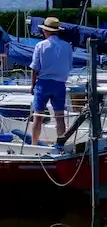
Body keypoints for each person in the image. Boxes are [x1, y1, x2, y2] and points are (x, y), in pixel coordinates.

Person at [30, 16, 72, 147]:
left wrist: (32, 85)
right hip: (60, 84)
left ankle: (34, 145)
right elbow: (69, 66)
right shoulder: (67, 46)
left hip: (43, 83)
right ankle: (61, 145)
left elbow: (35, 68)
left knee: (38, 117)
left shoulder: (40, 45)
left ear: (46, 31)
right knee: (60, 117)